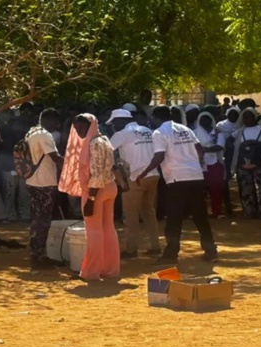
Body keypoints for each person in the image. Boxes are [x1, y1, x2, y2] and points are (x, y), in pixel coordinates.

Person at [136, 110, 217, 265]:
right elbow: (200, 150)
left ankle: (171, 254)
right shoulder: (185, 129)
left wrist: (144, 172)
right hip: (195, 176)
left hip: (176, 178)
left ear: (155, 117)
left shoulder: (159, 132)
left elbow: (159, 156)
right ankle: (211, 251)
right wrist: (193, 163)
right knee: (200, 216)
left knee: (174, 218)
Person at [59, 113, 120, 281]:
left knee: (93, 231)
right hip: (110, 187)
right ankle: (110, 270)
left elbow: (97, 173)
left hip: (96, 190)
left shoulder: (93, 144)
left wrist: (91, 199)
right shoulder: (104, 139)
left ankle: (91, 272)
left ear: (90, 126)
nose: (79, 131)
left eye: (82, 127)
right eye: (76, 128)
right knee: (108, 229)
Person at [108, 108, 161, 258]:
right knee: (148, 211)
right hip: (153, 175)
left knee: (130, 214)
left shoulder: (122, 134)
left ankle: (131, 249)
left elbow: (106, 150)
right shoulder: (147, 130)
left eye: (114, 122)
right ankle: (155, 246)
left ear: (120, 121)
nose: (113, 126)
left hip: (135, 178)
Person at [25, 108, 65, 270]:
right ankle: (39, 257)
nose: (57, 125)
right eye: (56, 122)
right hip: (44, 182)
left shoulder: (32, 132)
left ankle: (38, 254)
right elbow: (55, 157)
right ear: (51, 120)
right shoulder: (45, 135)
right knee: (43, 221)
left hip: (33, 180)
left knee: (37, 219)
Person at [232, 108, 261, 220]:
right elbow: (229, 141)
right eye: (245, 117)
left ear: (254, 117)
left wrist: (253, 143)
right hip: (243, 163)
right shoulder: (239, 131)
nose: (248, 119)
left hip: (260, 162)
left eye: (250, 116)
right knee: (246, 189)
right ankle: (249, 212)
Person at [195, 112, 226, 217]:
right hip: (199, 164)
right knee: (199, 190)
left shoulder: (218, 132)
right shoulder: (194, 133)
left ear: (211, 119)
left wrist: (203, 149)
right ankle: (200, 213)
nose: (205, 121)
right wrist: (208, 149)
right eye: (202, 119)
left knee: (216, 189)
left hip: (215, 163)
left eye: (207, 119)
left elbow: (220, 146)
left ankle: (217, 211)